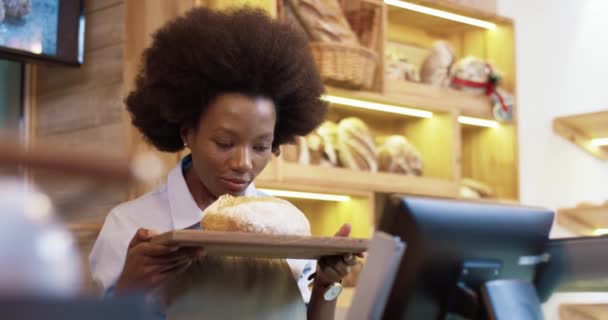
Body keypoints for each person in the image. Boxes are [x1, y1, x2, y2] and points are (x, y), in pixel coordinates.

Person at [89, 6, 358, 320]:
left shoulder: (289, 225)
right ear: (187, 132)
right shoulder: (129, 226)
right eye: (225, 143)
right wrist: (128, 288)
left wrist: (327, 283)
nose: (243, 163)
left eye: (261, 146)